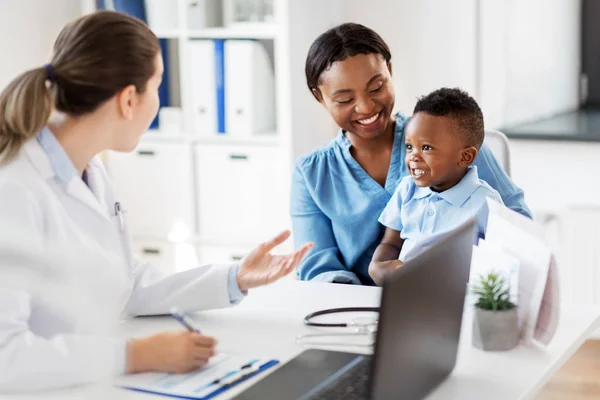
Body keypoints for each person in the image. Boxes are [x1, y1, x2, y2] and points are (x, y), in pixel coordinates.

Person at [0, 11, 313, 391]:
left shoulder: (89, 170)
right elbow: (6, 356)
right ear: (129, 99)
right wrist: (136, 355)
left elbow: (124, 284)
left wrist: (234, 277)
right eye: (158, 85)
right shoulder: (15, 189)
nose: (159, 103)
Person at [291, 22, 531, 286]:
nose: (365, 106)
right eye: (345, 100)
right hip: (355, 310)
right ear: (320, 97)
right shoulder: (311, 173)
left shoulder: (452, 138)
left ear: (389, 71)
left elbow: (518, 226)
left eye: (376, 87)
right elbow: (317, 267)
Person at [368, 87, 503, 285]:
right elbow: (391, 242)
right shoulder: (407, 190)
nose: (413, 156)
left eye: (426, 148)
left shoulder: (486, 202)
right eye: (409, 146)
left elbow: (500, 261)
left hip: (454, 299)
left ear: (465, 157)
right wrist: (378, 266)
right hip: (403, 294)